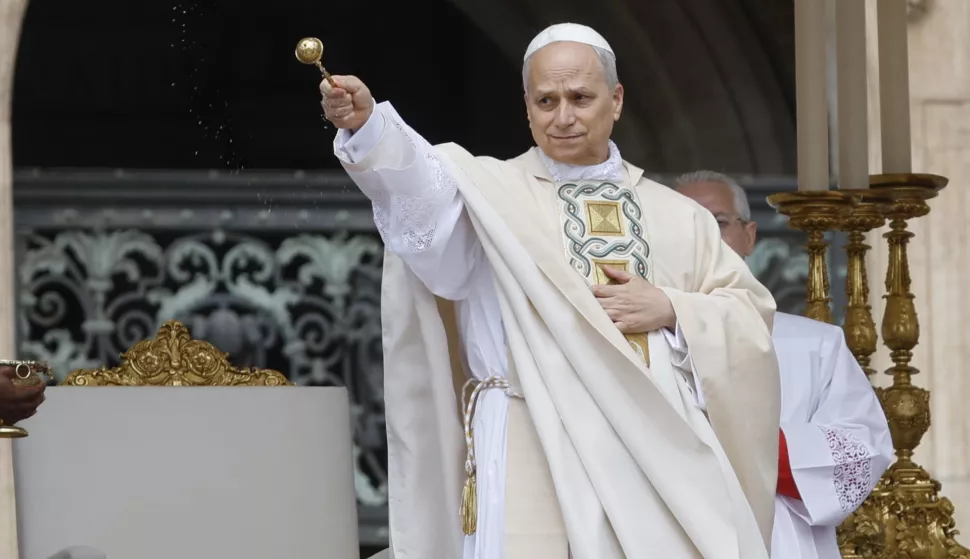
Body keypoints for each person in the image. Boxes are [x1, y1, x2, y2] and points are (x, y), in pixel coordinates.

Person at [324, 23, 781, 559]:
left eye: (580, 98)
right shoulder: (487, 195)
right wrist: (371, 130)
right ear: (526, 107)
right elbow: (419, 191)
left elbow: (750, 318)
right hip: (526, 430)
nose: (563, 116)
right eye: (546, 100)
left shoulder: (679, 216)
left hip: (654, 456)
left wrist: (671, 308)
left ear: (616, 100)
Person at [674, 170, 894, 559]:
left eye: (718, 222)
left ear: (749, 236)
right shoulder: (640, 340)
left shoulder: (815, 344)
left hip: (782, 540)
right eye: (684, 223)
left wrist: (739, 443)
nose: (703, 236)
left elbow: (860, 452)